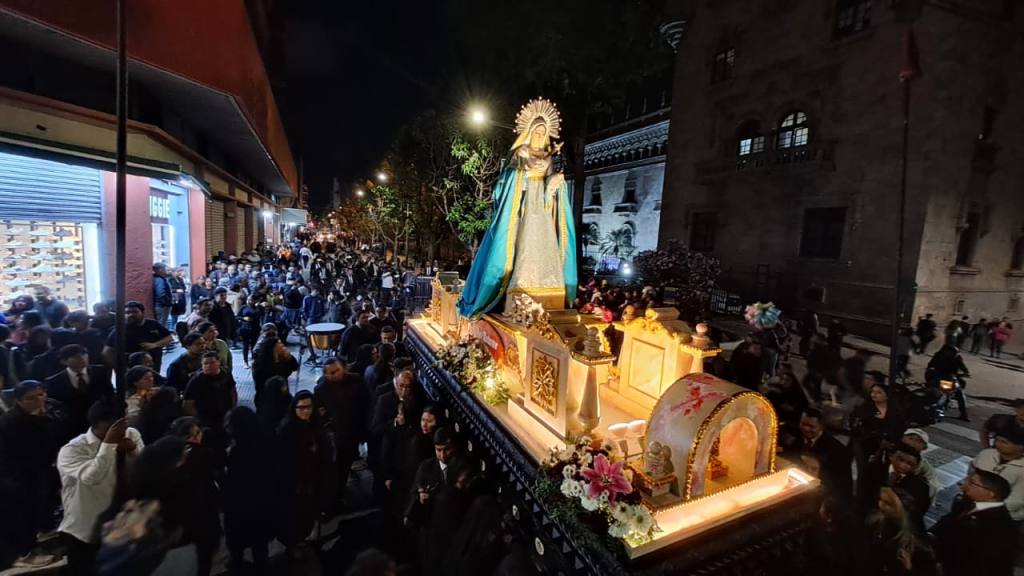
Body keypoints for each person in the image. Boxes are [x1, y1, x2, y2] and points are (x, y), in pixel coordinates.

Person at [457, 99, 577, 318]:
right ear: (530, 132)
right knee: (520, 246)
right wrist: (522, 173)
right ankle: (515, 293)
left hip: (541, 208)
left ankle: (549, 293)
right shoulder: (521, 153)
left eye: (544, 132)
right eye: (537, 132)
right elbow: (503, 182)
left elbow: (549, 183)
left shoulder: (547, 157)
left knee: (545, 247)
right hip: (522, 209)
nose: (540, 136)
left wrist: (555, 182)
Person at [57, 403, 143, 576]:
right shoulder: (73, 449)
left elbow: (144, 468)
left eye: (123, 426)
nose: (122, 432)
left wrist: (133, 450)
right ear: (97, 425)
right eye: (114, 428)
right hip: (86, 528)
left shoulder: (131, 435)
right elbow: (92, 477)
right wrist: (109, 444)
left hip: (123, 523)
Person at [0, 381, 63, 569]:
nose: (38, 400)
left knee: (40, 509)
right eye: (31, 398)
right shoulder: (8, 422)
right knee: (22, 516)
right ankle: (24, 553)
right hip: (19, 477)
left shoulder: (51, 410)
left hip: (44, 471)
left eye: (41, 395)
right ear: (18, 401)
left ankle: (42, 533)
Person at [929, 469, 1016, 576]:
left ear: (990, 493)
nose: (963, 484)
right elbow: (948, 522)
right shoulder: (967, 504)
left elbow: (983, 563)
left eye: (971, 482)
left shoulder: (999, 525)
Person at [223, 407, 275, 576]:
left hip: (239, 507)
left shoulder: (236, 452)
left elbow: (231, 481)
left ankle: (237, 565)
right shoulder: (266, 441)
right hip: (262, 503)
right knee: (260, 545)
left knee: (237, 542)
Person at [275, 391, 328, 558]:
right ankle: (291, 545)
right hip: (293, 484)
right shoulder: (287, 429)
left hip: (312, 481)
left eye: (309, 407)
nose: (306, 411)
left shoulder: (315, 426)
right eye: (302, 408)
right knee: (293, 518)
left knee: (307, 515)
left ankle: (301, 538)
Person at [313, 358, 369, 508]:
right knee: (334, 468)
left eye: (338, 370)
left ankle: (340, 492)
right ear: (326, 375)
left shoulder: (356, 380)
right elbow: (318, 412)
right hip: (335, 434)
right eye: (332, 373)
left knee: (345, 464)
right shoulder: (321, 390)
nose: (337, 374)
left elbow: (365, 403)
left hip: (353, 431)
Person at [44, 344, 114, 438]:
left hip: (99, 422)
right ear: (64, 361)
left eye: (84, 354)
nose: (82, 358)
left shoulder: (100, 371)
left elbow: (110, 394)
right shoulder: (54, 382)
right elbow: (56, 407)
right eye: (76, 357)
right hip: (72, 426)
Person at [798, 409, 852, 501]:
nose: (806, 429)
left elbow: (841, 483)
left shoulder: (836, 450)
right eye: (803, 424)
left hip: (824, 495)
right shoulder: (795, 438)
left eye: (811, 426)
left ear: (821, 426)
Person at [104, 301, 173, 372]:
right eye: (127, 313)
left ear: (143, 313)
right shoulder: (120, 329)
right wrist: (120, 368)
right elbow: (107, 351)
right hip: (131, 371)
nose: (131, 315)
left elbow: (169, 338)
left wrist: (154, 344)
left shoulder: (153, 324)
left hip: (153, 366)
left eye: (135, 312)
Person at [972, 430, 1024, 520]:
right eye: (997, 440)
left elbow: (1016, 501)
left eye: (1004, 442)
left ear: (1020, 447)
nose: (997, 444)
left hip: (1004, 516)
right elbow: (971, 475)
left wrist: (984, 508)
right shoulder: (986, 454)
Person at [183, 352, 238, 431]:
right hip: (207, 419)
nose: (208, 366)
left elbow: (232, 390)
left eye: (212, 363)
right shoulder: (196, 381)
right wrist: (202, 420)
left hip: (225, 414)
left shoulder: (226, 373)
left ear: (219, 362)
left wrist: (233, 407)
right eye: (205, 363)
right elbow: (187, 404)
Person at [925, 343, 970, 421]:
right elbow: (930, 366)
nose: (949, 353)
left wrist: (964, 373)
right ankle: (963, 414)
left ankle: (963, 413)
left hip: (946, 378)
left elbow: (964, 369)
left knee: (959, 393)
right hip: (941, 379)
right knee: (958, 394)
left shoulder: (955, 358)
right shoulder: (939, 356)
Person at [251, 336, 298, 409]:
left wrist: (289, 357)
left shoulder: (282, 358)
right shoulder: (260, 365)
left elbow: (295, 367)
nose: (282, 345)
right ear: (273, 348)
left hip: (283, 397)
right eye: (279, 344)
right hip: (267, 400)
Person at [238, 297, 262, 367]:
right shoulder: (243, 307)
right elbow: (237, 316)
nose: (249, 301)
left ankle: (253, 359)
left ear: (254, 301)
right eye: (248, 300)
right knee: (245, 345)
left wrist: (258, 307)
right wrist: (243, 318)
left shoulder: (257, 308)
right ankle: (245, 362)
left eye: (251, 300)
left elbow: (260, 315)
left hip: (255, 328)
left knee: (254, 345)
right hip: (245, 329)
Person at [152, 264, 174, 331]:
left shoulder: (159, 279)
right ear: (161, 269)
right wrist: (167, 302)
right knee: (161, 325)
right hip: (162, 306)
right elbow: (161, 293)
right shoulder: (159, 280)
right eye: (166, 269)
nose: (167, 271)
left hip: (161, 305)